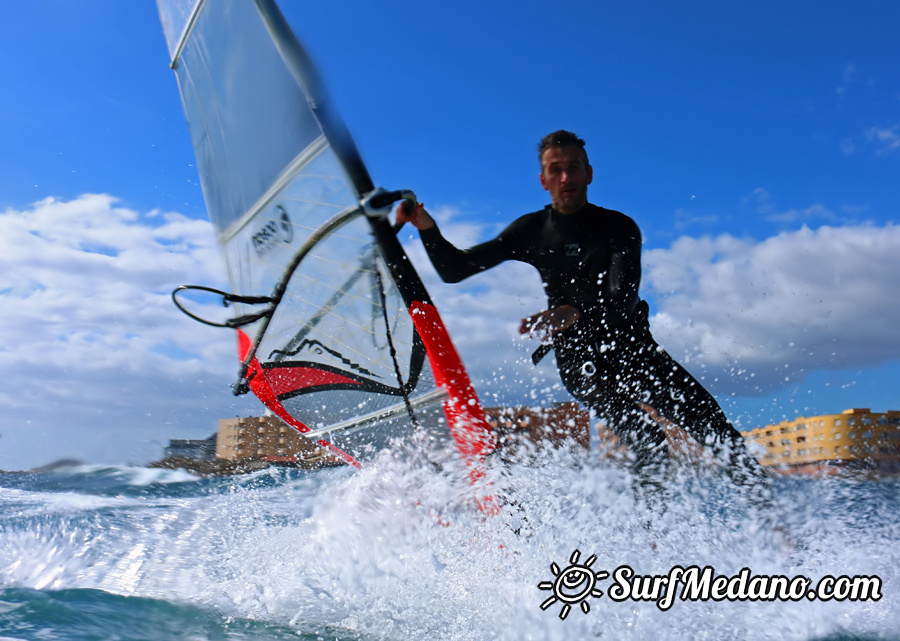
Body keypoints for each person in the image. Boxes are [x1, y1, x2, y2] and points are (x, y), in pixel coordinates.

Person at [396, 130, 772, 511]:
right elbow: (455, 269)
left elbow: (622, 298)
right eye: (555, 170)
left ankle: (773, 523)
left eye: (572, 167)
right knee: (649, 442)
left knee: (714, 429)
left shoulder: (619, 228)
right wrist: (426, 226)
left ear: (588, 173)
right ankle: (654, 540)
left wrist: (573, 311)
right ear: (543, 180)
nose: (565, 178)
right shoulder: (531, 231)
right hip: (582, 363)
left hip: (633, 349)